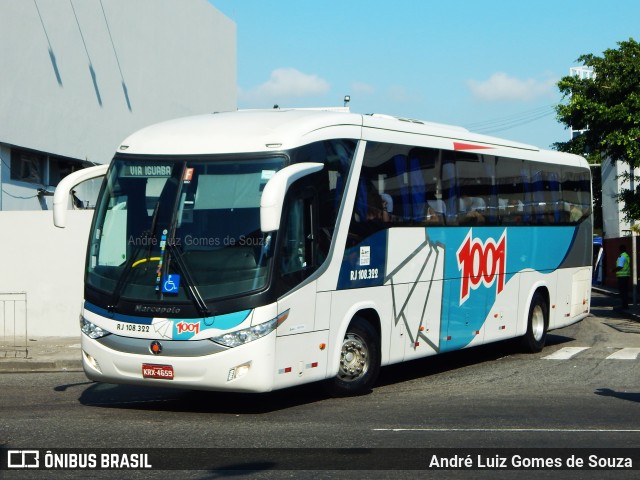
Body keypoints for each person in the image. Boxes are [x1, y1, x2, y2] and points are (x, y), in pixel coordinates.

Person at [615, 244, 631, 310]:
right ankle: (625, 305)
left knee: (622, 292)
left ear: (620, 249)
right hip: (627, 275)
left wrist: (613, 270)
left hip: (622, 276)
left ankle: (624, 306)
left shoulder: (621, 256)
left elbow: (620, 266)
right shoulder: (627, 255)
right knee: (625, 291)